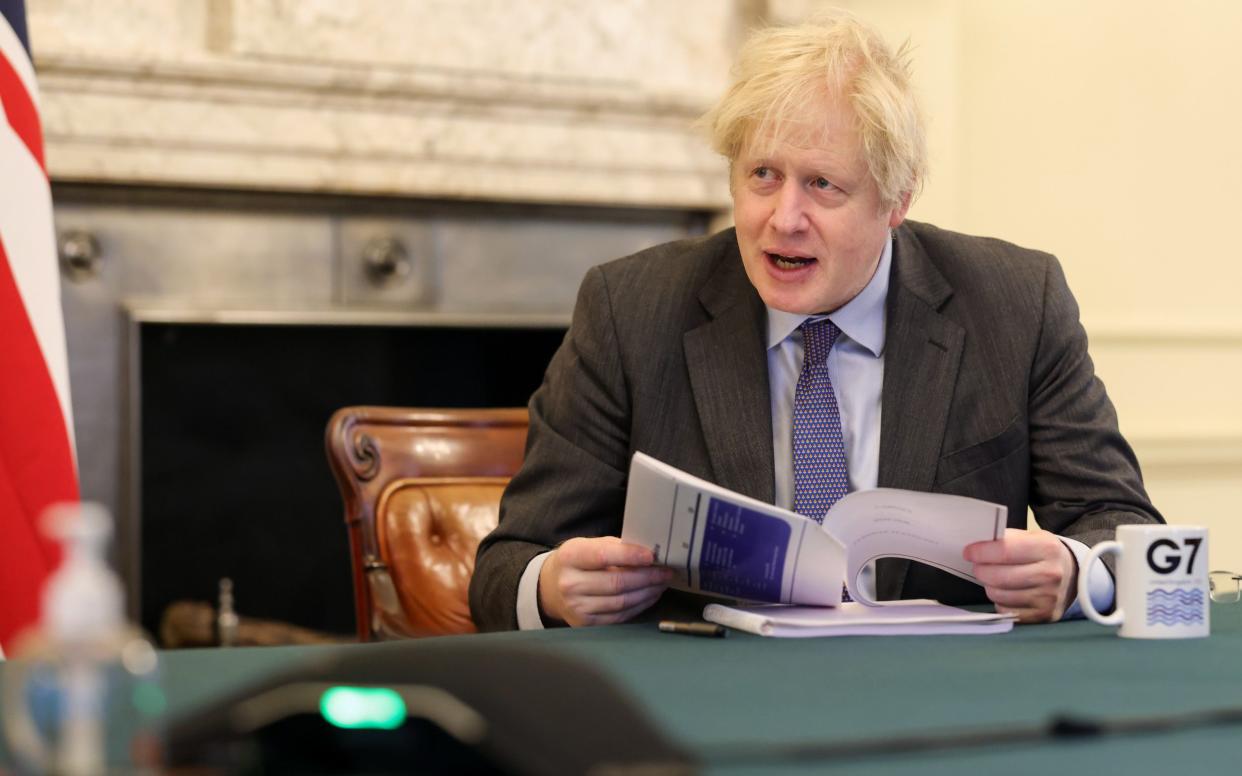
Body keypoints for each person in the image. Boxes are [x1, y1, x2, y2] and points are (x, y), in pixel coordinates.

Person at [468, 10, 1162, 631]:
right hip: (709, 708)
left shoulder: (1014, 302)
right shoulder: (631, 308)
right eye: (762, 175)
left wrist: (1076, 573)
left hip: (940, 706)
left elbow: (1128, 530)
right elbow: (506, 568)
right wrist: (553, 588)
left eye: (822, 184)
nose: (784, 218)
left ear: (896, 200)